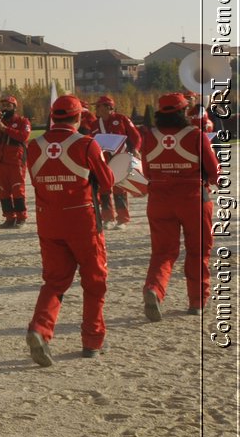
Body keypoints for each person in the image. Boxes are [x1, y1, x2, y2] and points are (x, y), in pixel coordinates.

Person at [23, 95, 115, 365]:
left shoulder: (34, 146)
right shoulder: (87, 144)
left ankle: (40, 329)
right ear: (78, 118)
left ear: (53, 116)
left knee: (54, 281)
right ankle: (92, 340)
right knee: (94, 282)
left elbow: (37, 179)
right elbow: (107, 182)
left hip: (48, 220)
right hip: (82, 222)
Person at [141, 93, 221, 319]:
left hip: (159, 200)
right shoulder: (197, 135)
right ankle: (197, 301)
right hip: (193, 198)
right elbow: (214, 173)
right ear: (183, 112)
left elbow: (146, 172)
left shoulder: (149, 136)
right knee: (197, 251)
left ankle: (154, 289)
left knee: (162, 252)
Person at [93, 96, 141, 228]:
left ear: (108, 107)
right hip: (103, 161)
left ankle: (122, 219)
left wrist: (136, 149)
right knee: (104, 190)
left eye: (99, 106)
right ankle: (108, 218)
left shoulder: (121, 119)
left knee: (120, 190)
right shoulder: (95, 124)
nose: (96, 109)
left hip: (119, 159)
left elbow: (135, 136)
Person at [0, 95, 31, 228]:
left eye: (8, 105)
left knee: (18, 189)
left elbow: (24, 136)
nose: (5, 108)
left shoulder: (23, 121)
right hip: (0, 161)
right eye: (4, 106)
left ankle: (21, 217)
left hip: (15, 161)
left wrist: (5, 129)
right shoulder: (0, 121)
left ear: (14, 107)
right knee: (2, 190)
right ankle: (9, 217)